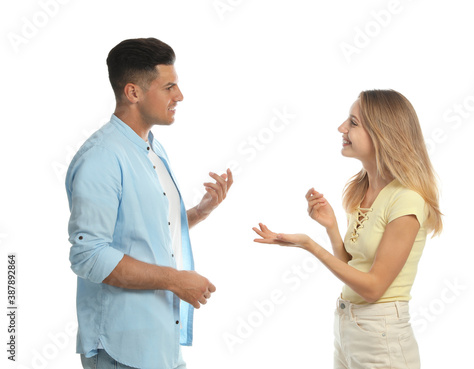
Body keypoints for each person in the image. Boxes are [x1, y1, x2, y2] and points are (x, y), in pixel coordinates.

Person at [65, 38, 233, 369]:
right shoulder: (102, 158)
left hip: (159, 344)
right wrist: (175, 279)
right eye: (169, 87)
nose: (179, 96)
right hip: (121, 349)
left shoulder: (151, 149)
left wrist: (199, 212)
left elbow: (140, 229)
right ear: (133, 93)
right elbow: (89, 255)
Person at [253, 89, 442, 369]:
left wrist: (310, 245)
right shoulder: (363, 190)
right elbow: (354, 270)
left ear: (382, 134)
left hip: (382, 334)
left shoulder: (407, 200)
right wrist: (331, 228)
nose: (342, 128)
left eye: (353, 123)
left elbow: (374, 288)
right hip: (348, 326)